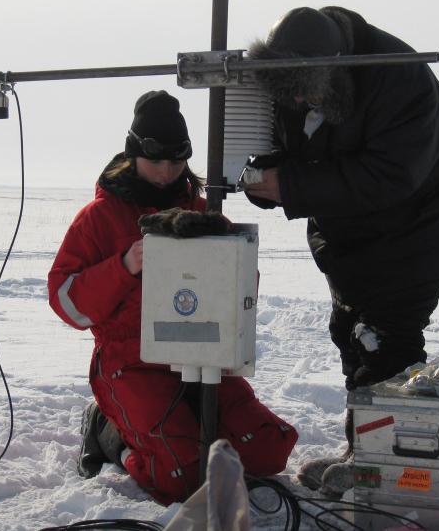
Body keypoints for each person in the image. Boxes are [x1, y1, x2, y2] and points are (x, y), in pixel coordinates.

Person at [242, 6, 439, 493]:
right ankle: (366, 452)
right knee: (351, 332)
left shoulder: (399, 79)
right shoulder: (295, 81)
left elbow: (391, 176)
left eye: (308, 89)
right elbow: (288, 152)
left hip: (420, 233)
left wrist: (292, 185)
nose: (300, 99)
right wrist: (264, 180)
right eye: (292, 92)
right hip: (352, 241)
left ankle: (384, 467)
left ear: (337, 68)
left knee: (386, 342)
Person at [48, 90, 297, 506]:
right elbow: (66, 302)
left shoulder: (202, 210)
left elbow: (243, 291)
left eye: (177, 160)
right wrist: (124, 265)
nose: (167, 171)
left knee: (269, 450)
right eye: (157, 159)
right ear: (133, 153)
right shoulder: (100, 218)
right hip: (131, 364)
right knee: (182, 478)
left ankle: (185, 434)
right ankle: (110, 435)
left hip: (205, 358)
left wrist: (222, 253)